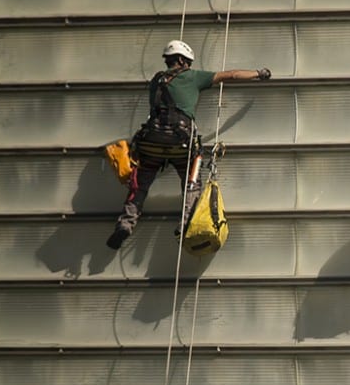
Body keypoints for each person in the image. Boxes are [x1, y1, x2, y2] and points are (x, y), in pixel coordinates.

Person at [106, 40, 271, 250]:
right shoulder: (192, 77)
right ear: (183, 61)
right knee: (191, 183)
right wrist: (259, 73)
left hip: (151, 142)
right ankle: (186, 225)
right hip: (180, 143)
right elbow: (230, 75)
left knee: (139, 185)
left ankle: (126, 223)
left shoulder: (156, 80)